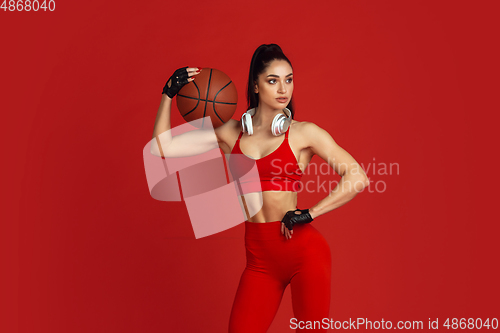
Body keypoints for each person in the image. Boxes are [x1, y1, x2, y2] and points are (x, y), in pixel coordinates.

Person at [152, 43, 369, 332]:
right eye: (273, 80)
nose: (283, 89)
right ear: (255, 85)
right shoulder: (230, 133)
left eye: (288, 79)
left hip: (304, 253)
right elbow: (162, 148)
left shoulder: (304, 133)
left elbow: (358, 176)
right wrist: (168, 95)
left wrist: (311, 213)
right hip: (259, 261)